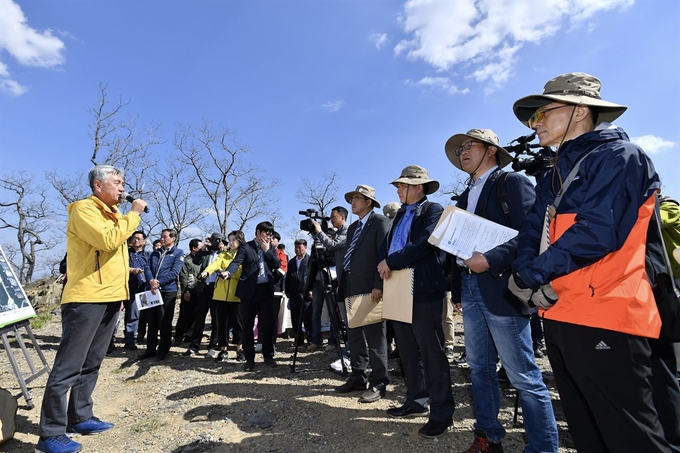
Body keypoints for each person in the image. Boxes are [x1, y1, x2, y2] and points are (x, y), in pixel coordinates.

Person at [510, 72, 671, 452]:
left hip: (608, 315)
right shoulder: (556, 173)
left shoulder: (620, 157)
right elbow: (532, 229)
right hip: (560, 312)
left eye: (544, 112)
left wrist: (531, 276)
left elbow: (597, 232)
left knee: (631, 436)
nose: (536, 123)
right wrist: (522, 270)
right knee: (587, 430)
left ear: (580, 111)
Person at [444, 129, 558, 452]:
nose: (462, 152)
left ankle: (543, 447)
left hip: (502, 290)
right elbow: (457, 246)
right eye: (461, 148)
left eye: (470, 146)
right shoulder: (464, 197)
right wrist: (456, 289)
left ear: (491, 150)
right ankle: (489, 436)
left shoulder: (512, 183)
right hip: (470, 288)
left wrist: (490, 260)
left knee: (522, 375)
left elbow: (529, 236)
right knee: (479, 369)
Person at [36, 165, 147, 453]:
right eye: (117, 183)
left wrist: (121, 294)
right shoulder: (83, 210)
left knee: (92, 362)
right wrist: (133, 214)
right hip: (85, 298)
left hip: (110, 298)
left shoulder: (114, 216)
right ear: (99, 186)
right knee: (68, 366)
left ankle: (80, 416)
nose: (123, 188)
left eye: (123, 183)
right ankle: (50, 433)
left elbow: (116, 260)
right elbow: (108, 241)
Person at [377, 165, 455, 439]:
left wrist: (391, 261)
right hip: (397, 287)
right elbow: (391, 246)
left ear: (418, 187)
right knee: (408, 351)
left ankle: (442, 413)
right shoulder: (399, 215)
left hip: (423, 289)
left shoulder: (433, 210)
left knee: (432, 353)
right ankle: (416, 401)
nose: (398, 190)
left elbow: (424, 244)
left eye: (402, 186)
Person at [335, 185, 390, 404]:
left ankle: (379, 381)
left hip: (371, 287)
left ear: (369, 201)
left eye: (357, 198)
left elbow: (384, 254)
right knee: (354, 333)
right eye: (352, 198)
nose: (353, 202)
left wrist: (379, 284)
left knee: (376, 336)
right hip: (351, 285)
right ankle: (358, 374)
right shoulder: (353, 227)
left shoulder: (380, 222)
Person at [224, 221, 281, 371]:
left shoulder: (272, 247)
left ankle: (268, 356)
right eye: (265, 234)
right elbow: (237, 261)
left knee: (268, 324)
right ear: (257, 232)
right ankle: (250, 359)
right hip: (249, 291)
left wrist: (267, 250)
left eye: (270, 234)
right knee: (247, 326)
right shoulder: (246, 246)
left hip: (266, 290)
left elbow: (276, 264)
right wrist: (228, 272)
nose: (268, 237)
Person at [199, 231, 245, 362]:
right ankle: (223, 350)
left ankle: (239, 349)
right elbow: (214, 265)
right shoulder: (223, 255)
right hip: (220, 295)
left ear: (240, 240)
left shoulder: (242, 256)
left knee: (238, 324)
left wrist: (228, 274)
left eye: (234, 240)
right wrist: (205, 273)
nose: (231, 242)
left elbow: (241, 272)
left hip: (236, 295)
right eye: (229, 240)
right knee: (221, 324)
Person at [140, 228, 184, 361]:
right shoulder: (155, 253)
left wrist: (158, 282)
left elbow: (174, 272)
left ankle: (163, 350)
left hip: (167, 291)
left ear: (173, 238)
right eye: (161, 236)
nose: (162, 239)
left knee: (164, 321)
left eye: (165, 237)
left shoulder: (178, 253)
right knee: (151, 321)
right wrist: (151, 281)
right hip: (152, 290)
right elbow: (147, 267)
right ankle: (150, 349)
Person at [310, 206, 349, 352]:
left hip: (337, 279)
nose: (331, 220)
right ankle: (316, 340)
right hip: (318, 282)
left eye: (334, 217)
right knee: (316, 313)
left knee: (338, 313)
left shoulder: (346, 231)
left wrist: (320, 232)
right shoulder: (338, 232)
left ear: (342, 217)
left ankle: (338, 343)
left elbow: (332, 247)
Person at [182, 232, 225, 357]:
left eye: (217, 240)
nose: (215, 242)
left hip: (218, 288)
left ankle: (212, 346)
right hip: (204, 288)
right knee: (199, 317)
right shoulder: (205, 253)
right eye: (213, 240)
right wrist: (203, 247)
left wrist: (223, 249)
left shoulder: (224, 254)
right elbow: (196, 261)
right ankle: (194, 346)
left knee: (216, 319)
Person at [176, 238, 204, 345]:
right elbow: (183, 276)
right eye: (200, 247)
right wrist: (185, 291)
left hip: (200, 291)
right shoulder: (187, 260)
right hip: (189, 291)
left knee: (196, 315)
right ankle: (179, 336)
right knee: (185, 314)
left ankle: (190, 335)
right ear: (194, 248)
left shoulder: (203, 259)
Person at [286, 239, 312, 349]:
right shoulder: (292, 261)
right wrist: (287, 290)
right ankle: (298, 339)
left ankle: (311, 340)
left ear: (305, 248)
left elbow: (312, 276)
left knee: (308, 318)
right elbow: (288, 277)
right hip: (294, 293)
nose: (298, 250)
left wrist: (311, 289)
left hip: (306, 293)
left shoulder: (310, 260)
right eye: (296, 248)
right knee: (295, 318)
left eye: (300, 248)